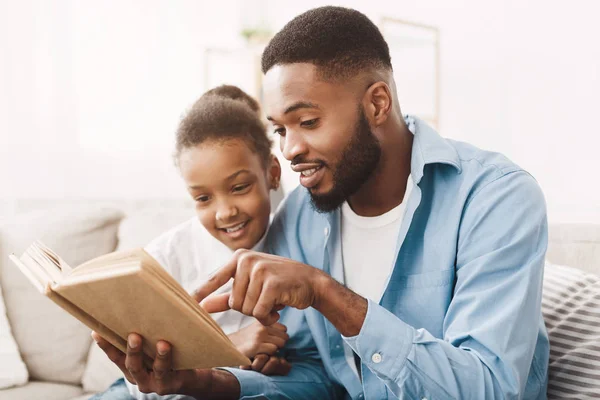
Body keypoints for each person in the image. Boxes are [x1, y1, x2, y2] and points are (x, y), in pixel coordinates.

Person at [98, 6, 550, 399]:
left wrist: (327, 293)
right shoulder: (299, 218)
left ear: (376, 104)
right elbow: (318, 379)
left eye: (308, 121)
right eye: (280, 129)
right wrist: (204, 383)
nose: (290, 149)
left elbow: (489, 387)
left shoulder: (496, 199)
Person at [91, 86, 340, 399]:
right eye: (203, 198)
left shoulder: (298, 249)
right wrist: (230, 348)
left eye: (238, 187)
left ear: (272, 173)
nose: (225, 212)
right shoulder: (164, 259)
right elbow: (142, 385)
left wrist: (268, 368)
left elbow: (315, 372)